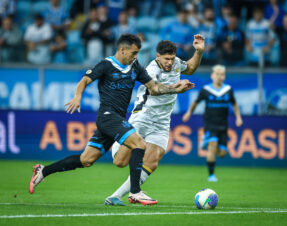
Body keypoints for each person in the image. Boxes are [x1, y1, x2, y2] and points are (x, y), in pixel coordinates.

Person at [29, 34, 194, 205]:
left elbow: (154, 88)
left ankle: (43, 171)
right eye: (134, 53)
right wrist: (77, 96)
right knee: (139, 143)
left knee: (86, 160)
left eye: (137, 53)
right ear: (122, 50)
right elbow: (85, 80)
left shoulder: (135, 67)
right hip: (107, 116)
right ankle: (135, 192)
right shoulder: (106, 65)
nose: (136, 57)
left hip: (117, 120)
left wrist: (175, 89)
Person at [105, 34, 205, 206]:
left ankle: (117, 196)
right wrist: (176, 88)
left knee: (154, 159)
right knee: (120, 162)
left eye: (172, 59)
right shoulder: (151, 69)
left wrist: (199, 52)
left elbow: (189, 68)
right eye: (166, 59)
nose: (169, 63)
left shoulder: (175, 64)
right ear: (157, 56)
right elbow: (154, 90)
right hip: (143, 116)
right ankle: (116, 142)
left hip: (162, 122)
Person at [182, 64, 243, 182]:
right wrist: (188, 113)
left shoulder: (228, 90)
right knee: (212, 146)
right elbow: (195, 102)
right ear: (212, 76)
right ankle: (211, 175)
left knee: (222, 153)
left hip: (223, 125)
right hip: (210, 123)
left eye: (222, 75)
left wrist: (238, 118)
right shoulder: (206, 90)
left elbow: (234, 104)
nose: (220, 77)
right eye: (218, 74)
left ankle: (206, 141)